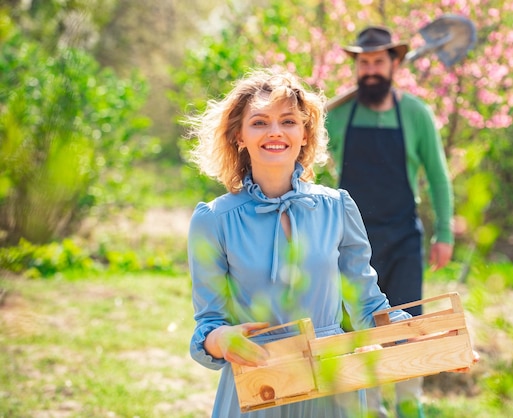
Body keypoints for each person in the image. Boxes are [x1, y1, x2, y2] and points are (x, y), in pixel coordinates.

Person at [185, 68, 415, 418]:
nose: (275, 132)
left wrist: (427, 341)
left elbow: (369, 307)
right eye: (259, 122)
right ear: (238, 136)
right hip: (259, 384)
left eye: (288, 121)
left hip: (332, 383)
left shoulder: (337, 207)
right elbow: (208, 324)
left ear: (305, 133)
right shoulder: (213, 220)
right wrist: (221, 340)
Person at [325, 26, 455, 418]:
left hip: (402, 237)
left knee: (407, 327)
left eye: (378, 61)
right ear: (355, 67)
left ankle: (408, 407)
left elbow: (437, 175)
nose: (370, 70)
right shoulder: (337, 116)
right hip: (348, 242)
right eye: (363, 62)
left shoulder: (415, 113)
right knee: (354, 328)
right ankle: (366, 410)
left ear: (395, 63)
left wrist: (444, 232)